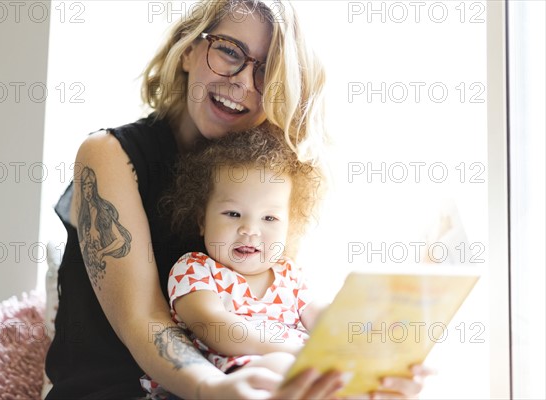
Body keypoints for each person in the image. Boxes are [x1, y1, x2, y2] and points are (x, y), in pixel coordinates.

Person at [45, 0, 430, 398]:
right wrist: (217, 389)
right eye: (229, 51)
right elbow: (145, 319)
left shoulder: (270, 180)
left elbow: (284, 311)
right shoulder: (108, 154)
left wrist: (367, 364)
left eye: (267, 70)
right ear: (189, 48)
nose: (244, 83)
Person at [140, 126, 325, 398]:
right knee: (283, 368)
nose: (250, 229)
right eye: (233, 213)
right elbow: (215, 327)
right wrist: (292, 349)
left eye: (269, 218)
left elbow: (323, 317)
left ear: (289, 225)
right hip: (232, 377)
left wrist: (357, 328)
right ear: (202, 219)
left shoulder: (290, 276)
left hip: (300, 364)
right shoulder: (195, 269)